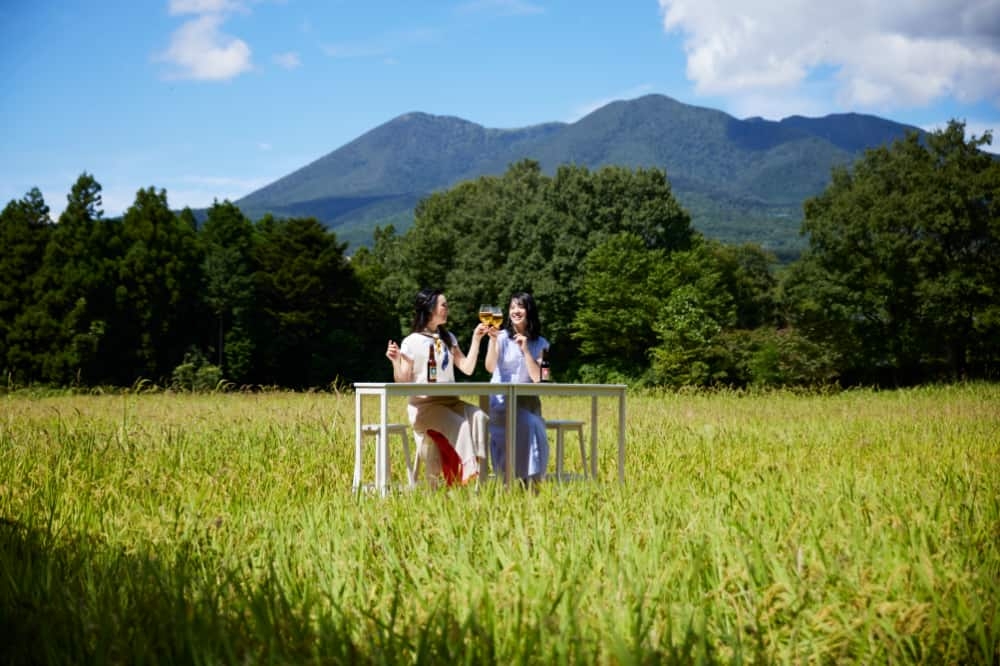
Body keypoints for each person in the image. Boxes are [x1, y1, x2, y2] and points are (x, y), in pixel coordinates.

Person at [385, 288, 490, 486]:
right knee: (461, 424)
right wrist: (395, 360)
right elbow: (403, 381)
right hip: (424, 407)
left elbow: (467, 368)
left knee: (480, 417)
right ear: (430, 309)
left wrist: (476, 339)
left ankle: (480, 469)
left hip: (451, 402)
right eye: (444, 305)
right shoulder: (411, 342)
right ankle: (468, 475)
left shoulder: (448, 338)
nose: (447, 309)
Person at [484, 291, 550, 483]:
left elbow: (542, 378)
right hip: (502, 403)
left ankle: (529, 479)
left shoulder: (542, 343)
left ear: (529, 310)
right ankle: (528, 478)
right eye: (512, 307)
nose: (515, 311)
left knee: (532, 421)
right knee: (532, 423)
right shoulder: (501, 337)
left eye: (520, 306)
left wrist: (526, 351)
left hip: (527, 403)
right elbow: (489, 367)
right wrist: (493, 341)